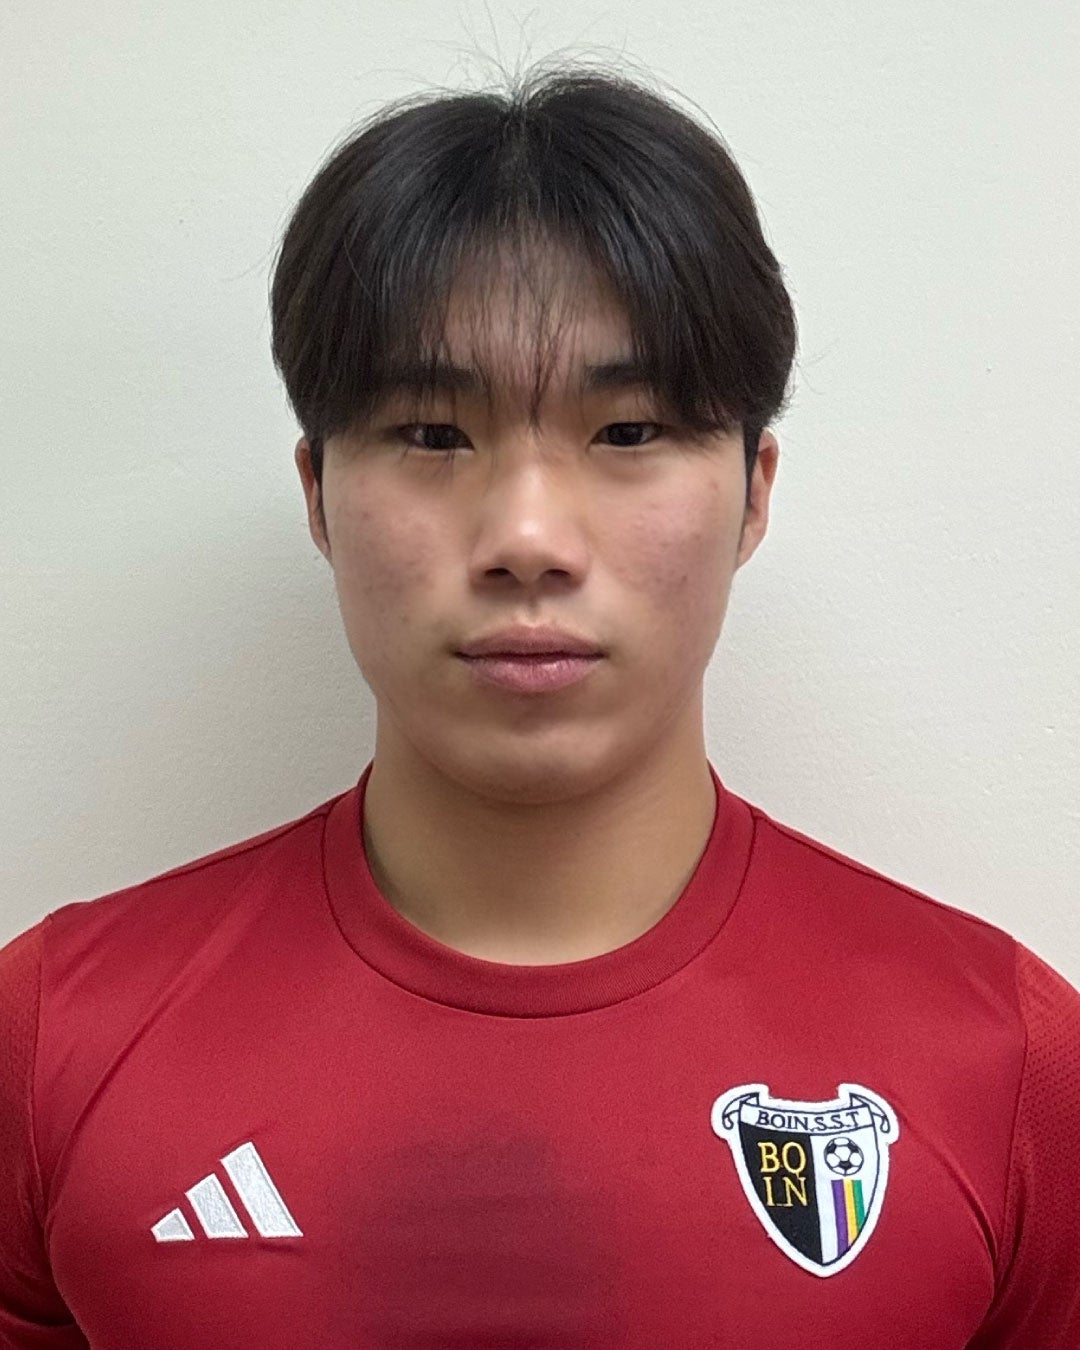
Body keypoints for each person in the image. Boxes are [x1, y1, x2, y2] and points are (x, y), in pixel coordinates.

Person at [2, 57, 1077, 1350]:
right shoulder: (53, 1039)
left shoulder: (1008, 1069)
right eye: (431, 434)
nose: (526, 537)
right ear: (317, 492)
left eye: (628, 432)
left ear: (753, 492)